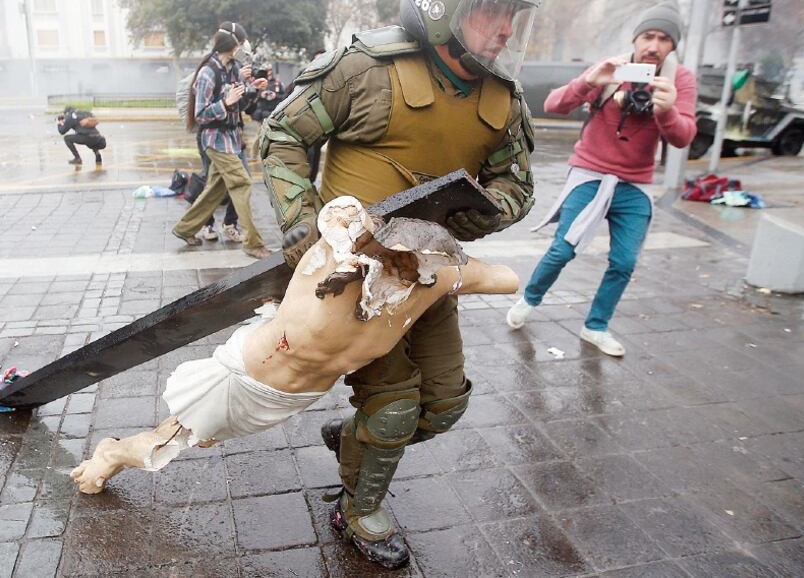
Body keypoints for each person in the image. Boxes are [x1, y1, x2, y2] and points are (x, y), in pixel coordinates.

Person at [258, 0, 540, 568]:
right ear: (443, 4)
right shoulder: (366, 71)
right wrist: (307, 228)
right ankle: (357, 509)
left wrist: (486, 211)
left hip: (428, 276)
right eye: (489, 10)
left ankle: (357, 442)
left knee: (443, 406)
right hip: (350, 282)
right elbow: (281, 137)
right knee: (392, 409)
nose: (503, 30)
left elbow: (516, 183)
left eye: (512, 15)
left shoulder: (502, 99)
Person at [70, 196, 518, 494]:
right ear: (374, 249)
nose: (403, 275)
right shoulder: (330, 271)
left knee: (196, 439)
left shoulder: (429, 284)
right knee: (176, 442)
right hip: (245, 379)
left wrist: (457, 251)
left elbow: (507, 279)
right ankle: (111, 453)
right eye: (397, 261)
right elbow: (339, 213)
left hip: (292, 399)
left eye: (414, 269)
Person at [506, 1, 697, 357]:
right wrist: (592, 79)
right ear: (636, 39)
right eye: (647, 36)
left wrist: (667, 111)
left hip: (635, 183)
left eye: (663, 39)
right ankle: (530, 299)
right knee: (563, 249)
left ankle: (596, 326)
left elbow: (684, 137)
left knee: (624, 261)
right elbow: (553, 104)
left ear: (673, 45)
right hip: (590, 172)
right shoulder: (615, 68)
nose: (654, 46)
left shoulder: (679, 79)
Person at [172, 21, 271, 259]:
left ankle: (184, 229)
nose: (241, 48)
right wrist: (224, 103)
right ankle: (253, 242)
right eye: (239, 44)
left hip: (232, 138)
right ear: (231, 44)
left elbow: (241, 105)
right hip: (215, 140)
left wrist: (253, 89)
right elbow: (200, 114)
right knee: (242, 182)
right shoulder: (208, 73)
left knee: (215, 190)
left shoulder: (232, 69)